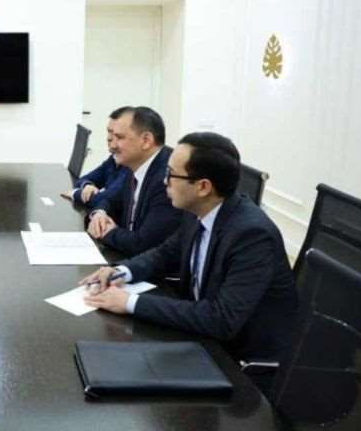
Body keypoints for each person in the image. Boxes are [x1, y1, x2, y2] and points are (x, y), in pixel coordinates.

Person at [82, 132, 298, 386]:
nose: (164, 182)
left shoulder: (252, 235)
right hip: (200, 337)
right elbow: (165, 253)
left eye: (171, 175)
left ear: (203, 187)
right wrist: (121, 271)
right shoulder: (198, 209)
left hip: (238, 364)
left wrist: (130, 302)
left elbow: (221, 319)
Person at [86, 106, 182, 256]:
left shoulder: (168, 178)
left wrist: (106, 232)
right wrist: (100, 214)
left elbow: (143, 244)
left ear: (146, 140)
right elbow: (112, 200)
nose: (112, 146)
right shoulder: (135, 164)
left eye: (120, 138)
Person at [68, 106, 132, 208]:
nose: (109, 138)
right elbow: (82, 180)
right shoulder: (113, 159)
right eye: (109, 131)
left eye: (118, 135)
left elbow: (104, 199)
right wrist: (87, 185)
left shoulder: (130, 165)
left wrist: (74, 193)